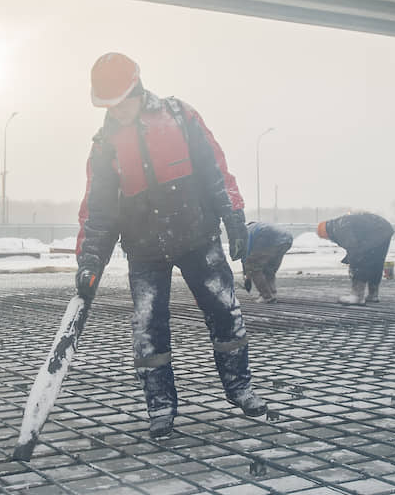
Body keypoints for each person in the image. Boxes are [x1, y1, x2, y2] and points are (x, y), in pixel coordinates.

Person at [74, 52, 265, 439]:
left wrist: (234, 216)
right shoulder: (105, 145)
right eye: (108, 106)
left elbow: (215, 168)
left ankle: (240, 388)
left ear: (138, 89)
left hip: (197, 236)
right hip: (144, 250)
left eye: (121, 103)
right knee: (148, 329)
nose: (116, 112)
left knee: (225, 312)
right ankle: (160, 406)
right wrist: (90, 259)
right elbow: (98, 210)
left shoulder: (179, 116)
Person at [317, 212, 393, 305]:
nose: (329, 240)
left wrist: (353, 263)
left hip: (376, 231)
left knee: (359, 260)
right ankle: (373, 294)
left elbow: (354, 249)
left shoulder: (339, 228)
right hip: (384, 228)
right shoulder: (340, 224)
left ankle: (357, 296)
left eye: (326, 238)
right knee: (376, 261)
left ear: (326, 233)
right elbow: (354, 243)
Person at [242, 222, 293, 303]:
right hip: (287, 239)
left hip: (268, 236)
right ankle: (272, 293)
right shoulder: (260, 226)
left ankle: (266, 296)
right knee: (269, 268)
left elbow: (247, 254)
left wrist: (248, 276)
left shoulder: (247, 230)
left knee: (254, 267)